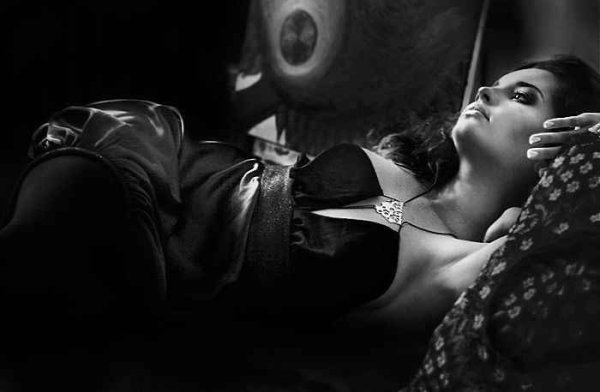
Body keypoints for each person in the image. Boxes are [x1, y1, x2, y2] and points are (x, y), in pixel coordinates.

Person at [1, 55, 600, 388]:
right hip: (158, 160)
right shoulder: (408, 165)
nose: (489, 90)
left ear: (564, 144)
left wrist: (595, 145)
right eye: (499, 83)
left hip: (151, 265)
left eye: (523, 97)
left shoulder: (468, 264)